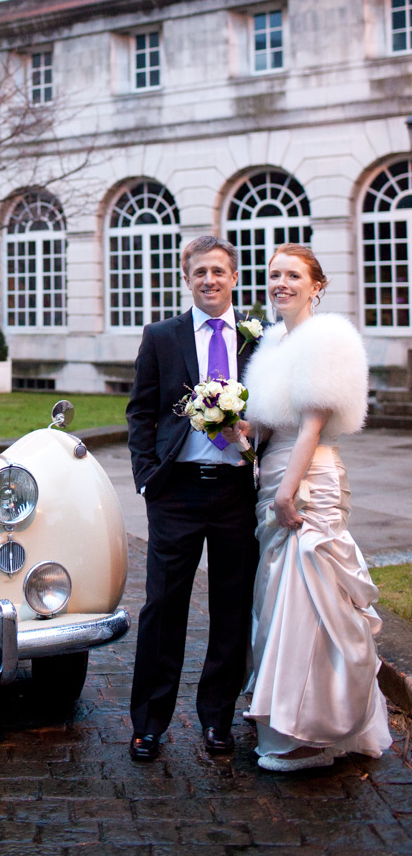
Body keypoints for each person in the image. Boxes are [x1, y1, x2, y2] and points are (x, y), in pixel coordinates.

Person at [241, 243, 392, 772]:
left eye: (292, 275)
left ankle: (310, 730)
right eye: (273, 274)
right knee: (277, 595)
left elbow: (311, 422)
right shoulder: (274, 341)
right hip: (275, 473)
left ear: (316, 285)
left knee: (310, 594)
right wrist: (229, 421)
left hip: (309, 477)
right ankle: (282, 711)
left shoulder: (328, 338)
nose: (280, 283)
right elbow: (267, 420)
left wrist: (288, 490)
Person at [127, 234, 259, 762]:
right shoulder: (162, 336)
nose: (209, 280)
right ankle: (150, 723)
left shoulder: (259, 339)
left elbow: (276, 410)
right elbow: (140, 411)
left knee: (231, 607)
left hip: (235, 493)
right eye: (200, 271)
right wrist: (145, 475)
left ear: (233, 278)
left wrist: (257, 442)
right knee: (162, 607)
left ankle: (217, 718)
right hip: (176, 492)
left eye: (218, 272)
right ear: (188, 277)